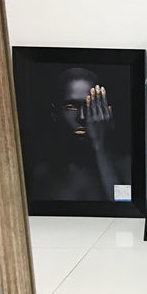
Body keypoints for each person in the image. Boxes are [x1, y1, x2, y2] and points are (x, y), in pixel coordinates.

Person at [29, 66, 128, 202]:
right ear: (55, 113)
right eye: (71, 107)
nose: (81, 117)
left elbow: (123, 203)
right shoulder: (40, 174)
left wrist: (99, 144)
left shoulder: (123, 166)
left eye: (90, 106)